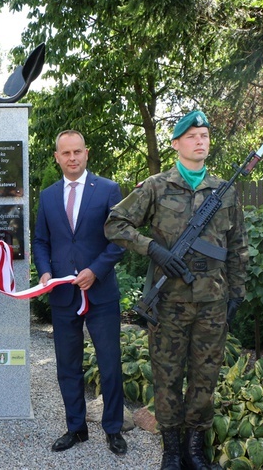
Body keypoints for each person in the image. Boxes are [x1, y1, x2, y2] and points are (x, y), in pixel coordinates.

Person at [104, 110, 248, 470]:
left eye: (205, 135)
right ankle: (170, 451)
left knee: (206, 376)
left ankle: (194, 450)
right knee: (167, 375)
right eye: (193, 136)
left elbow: (238, 245)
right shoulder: (155, 186)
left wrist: (236, 294)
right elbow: (115, 224)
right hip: (169, 302)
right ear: (176, 144)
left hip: (213, 301)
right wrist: (153, 249)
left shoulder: (224, 190)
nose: (201, 141)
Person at [31, 129, 128, 455]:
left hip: (100, 294)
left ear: (86, 153)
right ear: (57, 157)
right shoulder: (47, 196)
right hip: (62, 295)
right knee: (67, 366)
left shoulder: (108, 190)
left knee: (110, 363)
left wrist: (95, 270)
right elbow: (41, 241)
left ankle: (113, 429)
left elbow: (120, 239)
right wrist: (44, 271)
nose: (72, 158)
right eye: (66, 153)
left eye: (77, 152)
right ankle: (76, 428)